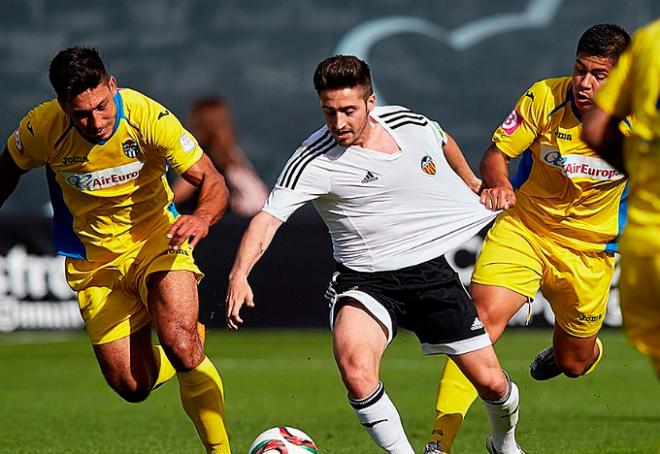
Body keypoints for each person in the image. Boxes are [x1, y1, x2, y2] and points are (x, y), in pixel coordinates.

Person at [226, 55, 525, 454]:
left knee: (492, 383)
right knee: (356, 368)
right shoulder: (312, 160)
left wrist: (471, 181)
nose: (339, 123)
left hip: (428, 273)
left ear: (370, 103)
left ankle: (504, 444)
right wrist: (240, 273)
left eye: (348, 110)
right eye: (329, 112)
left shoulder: (405, 123)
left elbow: (442, 138)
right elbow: (267, 219)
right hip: (364, 280)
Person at [0, 47, 232, 453]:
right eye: (82, 114)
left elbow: (212, 180)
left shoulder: (146, 116)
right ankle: (184, 347)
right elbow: (4, 171)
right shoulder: (41, 127)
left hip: (159, 240)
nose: (96, 121)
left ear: (112, 85)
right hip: (96, 262)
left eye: (102, 106)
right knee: (131, 385)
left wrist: (201, 218)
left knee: (180, 343)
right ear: (62, 106)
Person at [427, 24, 631, 453]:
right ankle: (438, 444)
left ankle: (570, 354)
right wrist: (498, 183)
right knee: (476, 325)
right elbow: (497, 154)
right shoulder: (544, 97)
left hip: (588, 252)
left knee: (575, 363)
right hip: (525, 228)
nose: (584, 84)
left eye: (599, 75)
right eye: (580, 70)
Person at [582, 19, 660, 378]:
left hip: (646, 240)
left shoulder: (648, 40)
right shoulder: (543, 98)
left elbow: (595, 128)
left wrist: (640, 173)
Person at [172, 97, 269, 217]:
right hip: (231, 221)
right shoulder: (232, 153)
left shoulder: (201, 155)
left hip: (203, 224)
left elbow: (179, 193)